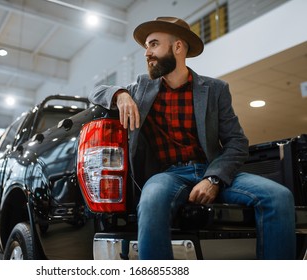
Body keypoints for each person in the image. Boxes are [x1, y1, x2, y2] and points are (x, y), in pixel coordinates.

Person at [88, 16, 296, 260]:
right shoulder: (141, 88)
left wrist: (214, 179)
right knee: (151, 200)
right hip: (167, 176)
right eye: (146, 46)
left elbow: (237, 143)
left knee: (279, 196)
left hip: (210, 169)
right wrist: (121, 94)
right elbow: (96, 91)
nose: (146, 53)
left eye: (153, 44)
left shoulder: (215, 89)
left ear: (177, 47)